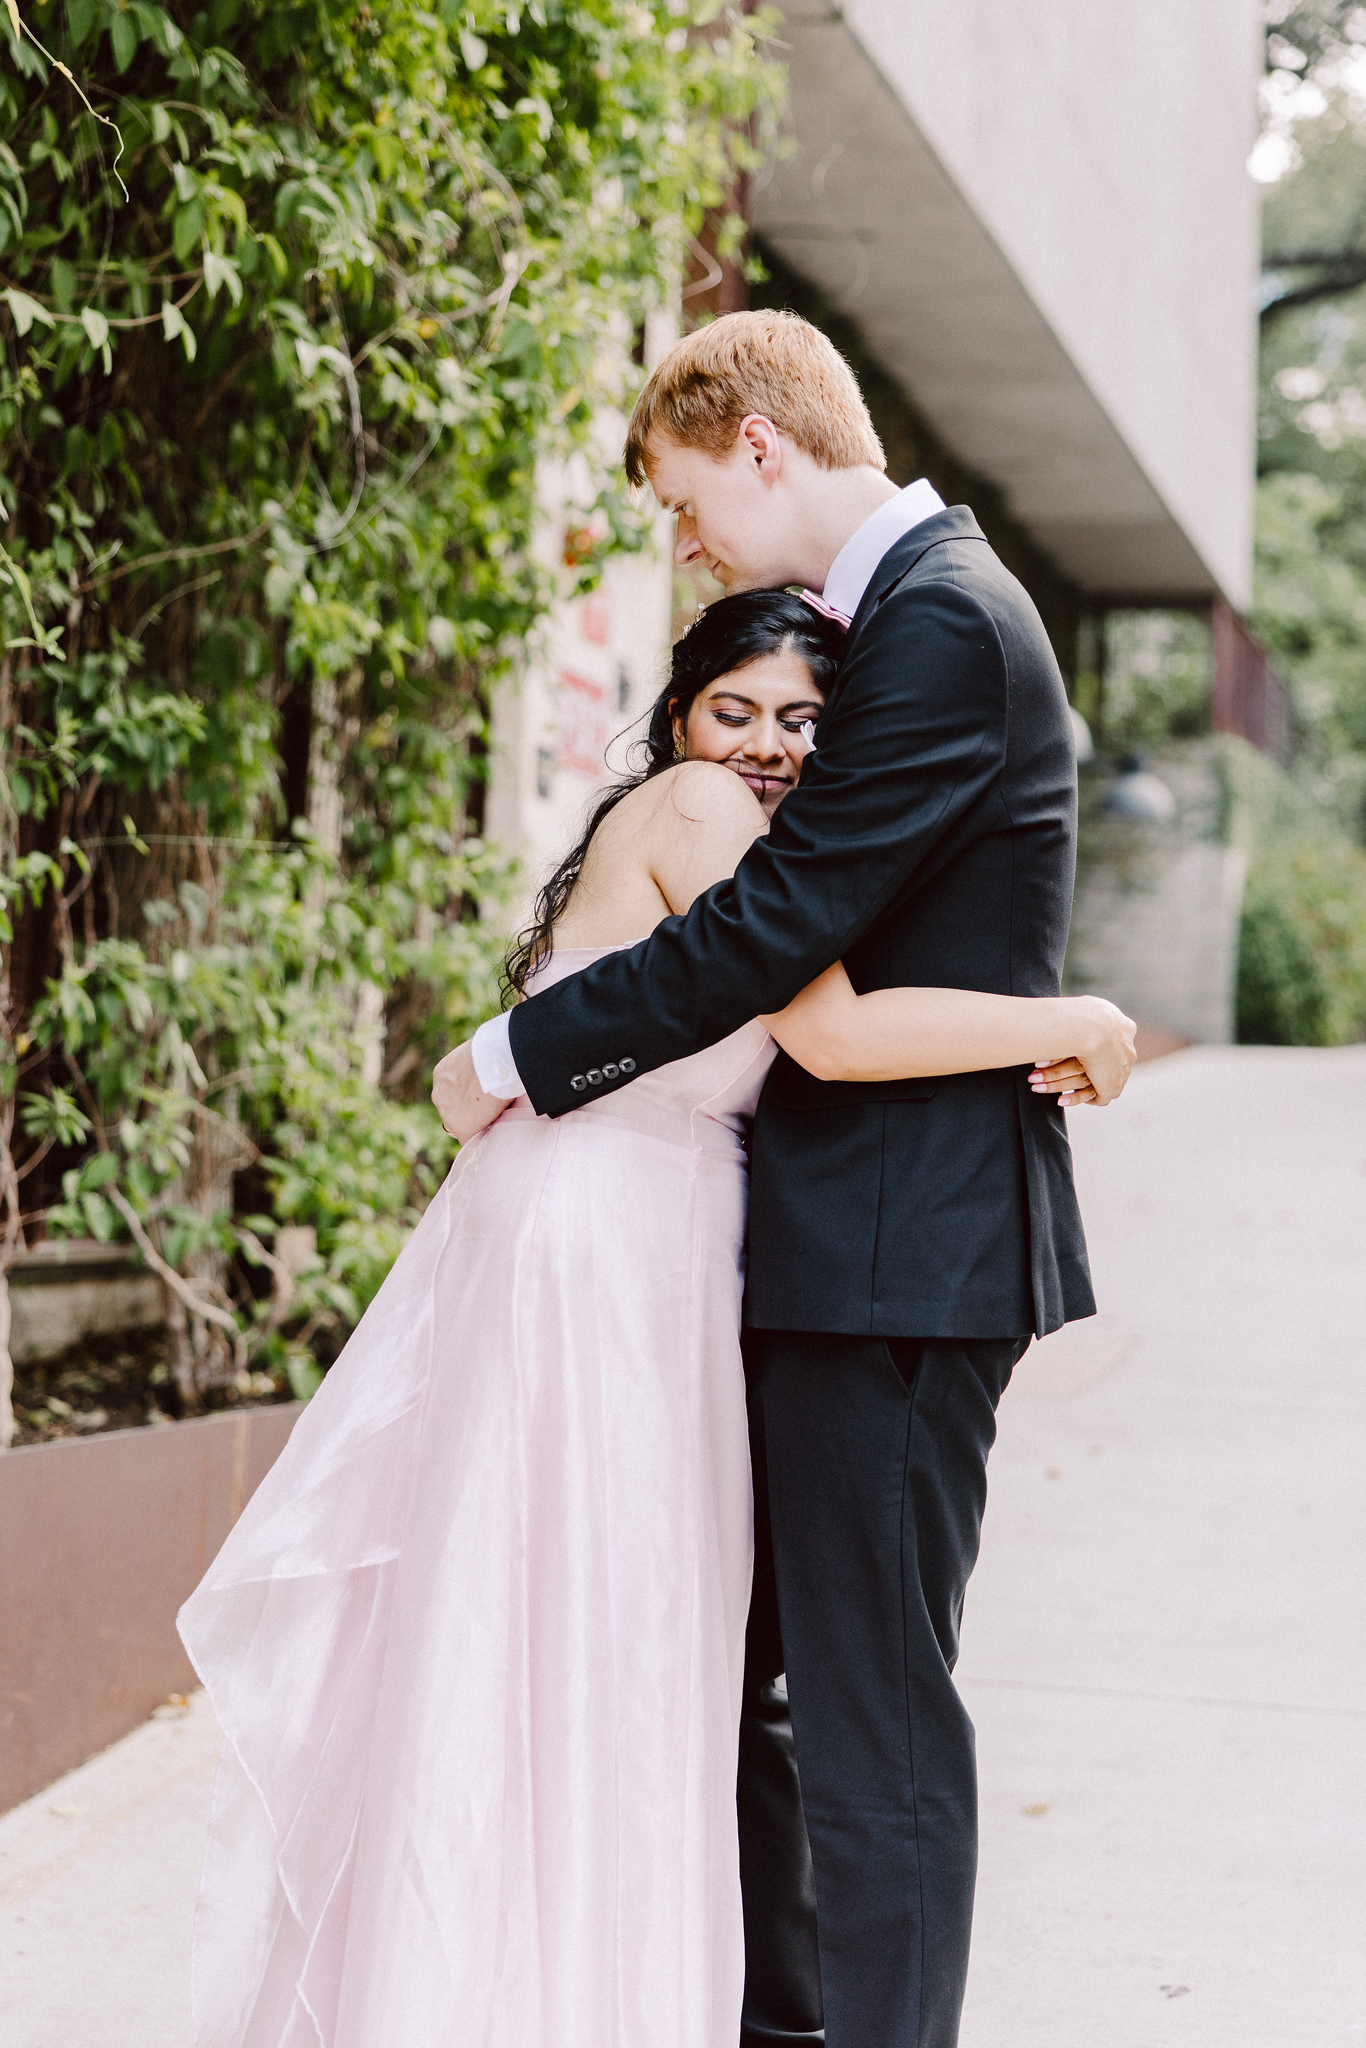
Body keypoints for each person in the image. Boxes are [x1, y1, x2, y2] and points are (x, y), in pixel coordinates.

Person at [180, 586, 1132, 2048]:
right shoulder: (705, 814)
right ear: (679, 717)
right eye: (732, 709)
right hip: (603, 1244)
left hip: (651, 1236)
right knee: (583, 1621)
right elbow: (832, 1036)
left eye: (802, 719)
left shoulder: (769, 837)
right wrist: (1073, 1020)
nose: (765, 745)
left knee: (594, 1622)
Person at [434, 310, 1118, 2048]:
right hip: (829, 1244)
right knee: (750, 1690)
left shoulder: (942, 618)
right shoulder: (907, 616)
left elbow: (781, 927)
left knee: (870, 1724)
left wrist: (516, 1052)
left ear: (757, 445)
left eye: (682, 501)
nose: (685, 544)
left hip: (901, 1251)